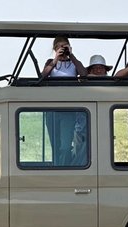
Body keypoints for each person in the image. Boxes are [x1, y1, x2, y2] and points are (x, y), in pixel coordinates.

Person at [41, 37, 87, 165]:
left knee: (65, 146)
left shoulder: (73, 63)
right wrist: (56, 58)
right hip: (52, 109)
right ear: (55, 49)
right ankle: (58, 170)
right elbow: (43, 76)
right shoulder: (51, 62)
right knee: (55, 146)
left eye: (65, 46)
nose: (63, 49)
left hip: (68, 109)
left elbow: (83, 74)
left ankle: (66, 168)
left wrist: (71, 56)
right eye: (60, 47)